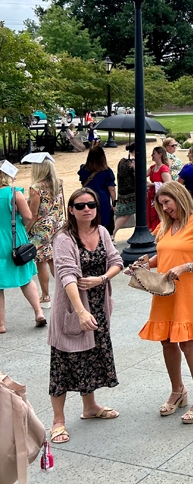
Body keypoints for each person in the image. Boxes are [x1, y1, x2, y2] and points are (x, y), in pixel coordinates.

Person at [133, 182, 193, 424]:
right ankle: (178, 391)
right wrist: (145, 264)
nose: (165, 208)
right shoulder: (167, 225)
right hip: (165, 290)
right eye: (161, 204)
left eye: (167, 203)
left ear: (179, 197)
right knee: (166, 341)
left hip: (188, 290)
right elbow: (167, 254)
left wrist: (186, 266)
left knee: (188, 343)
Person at [47, 187, 123, 444]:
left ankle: (89, 407)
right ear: (71, 209)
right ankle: (58, 421)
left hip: (99, 308)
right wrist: (80, 311)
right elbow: (66, 275)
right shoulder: (64, 238)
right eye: (80, 206)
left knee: (90, 357)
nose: (86, 209)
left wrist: (101, 279)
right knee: (64, 362)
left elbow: (116, 261)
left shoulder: (101, 232)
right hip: (72, 308)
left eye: (91, 204)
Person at [0, 166, 46, 333]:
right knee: (26, 278)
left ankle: (1, 324)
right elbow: (28, 216)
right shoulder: (14, 193)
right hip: (14, 238)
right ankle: (38, 312)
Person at [26, 159, 65, 307]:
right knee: (54, 260)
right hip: (57, 225)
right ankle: (66, 289)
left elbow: (34, 214)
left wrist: (25, 231)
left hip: (41, 229)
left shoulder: (36, 187)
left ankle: (46, 296)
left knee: (41, 261)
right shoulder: (58, 183)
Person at [78, 146, 116, 232]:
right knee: (103, 223)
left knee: (90, 221)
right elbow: (111, 189)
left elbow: (82, 183)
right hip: (103, 200)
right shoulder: (107, 171)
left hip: (87, 199)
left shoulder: (83, 169)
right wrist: (114, 203)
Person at [113, 143, 136, 238]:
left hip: (122, 191)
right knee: (126, 214)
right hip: (131, 192)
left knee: (123, 214)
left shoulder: (122, 160)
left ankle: (112, 233)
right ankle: (112, 233)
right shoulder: (132, 162)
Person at [146, 146, 171, 232]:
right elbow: (142, 174)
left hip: (160, 195)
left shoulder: (163, 168)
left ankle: (160, 231)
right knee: (152, 213)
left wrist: (152, 184)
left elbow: (168, 183)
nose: (152, 155)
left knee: (159, 213)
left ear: (160, 155)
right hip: (152, 195)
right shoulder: (153, 167)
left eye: (154, 153)